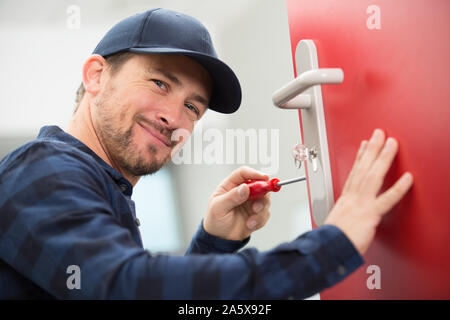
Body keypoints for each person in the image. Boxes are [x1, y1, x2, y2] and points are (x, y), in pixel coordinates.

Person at [0, 8, 413, 299]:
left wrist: (213, 242)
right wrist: (329, 247)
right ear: (96, 75)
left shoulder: (101, 189)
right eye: (160, 83)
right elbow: (125, 287)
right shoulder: (41, 170)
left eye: (192, 107)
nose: (172, 117)